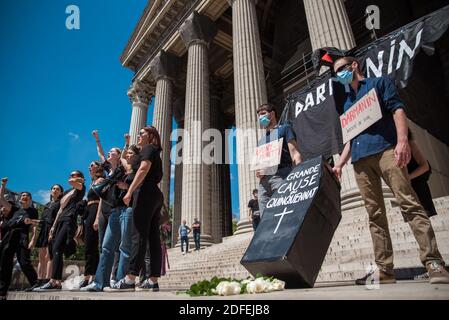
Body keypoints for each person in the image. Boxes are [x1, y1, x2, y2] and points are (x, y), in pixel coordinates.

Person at [331, 55, 449, 285]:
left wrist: (402, 141)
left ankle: (434, 263)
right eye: (336, 73)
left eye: (342, 69)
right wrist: (340, 163)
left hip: (386, 150)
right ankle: (384, 269)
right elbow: (350, 136)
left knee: (409, 203)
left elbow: (397, 110)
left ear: (354, 66)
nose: (340, 75)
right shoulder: (346, 102)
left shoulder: (379, 83)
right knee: (375, 214)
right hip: (360, 161)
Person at [108, 126, 164, 292]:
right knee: (153, 238)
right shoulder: (154, 151)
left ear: (151, 136)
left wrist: (130, 191)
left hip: (144, 194)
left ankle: (130, 278)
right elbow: (131, 165)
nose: (138, 136)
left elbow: (143, 169)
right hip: (155, 195)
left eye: (141, 133)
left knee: (138, 235)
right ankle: (153, 280)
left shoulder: (148, 148)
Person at [82, 136, 136, 292]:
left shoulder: (122, 168)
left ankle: (120, 282)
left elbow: (131, 172)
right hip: (113, 211)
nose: (109, 153)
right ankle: (100, 283)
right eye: (110, 151)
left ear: (119, 156)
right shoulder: (108, 172)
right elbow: (101, 154)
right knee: (106, 247)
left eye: (113, 152)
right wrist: (98, 140)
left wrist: (126, 185)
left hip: (125, 209)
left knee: (124, 247)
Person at [35, 171, 86, 291]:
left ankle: (53, 281)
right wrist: (53, 226)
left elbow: (72, 182)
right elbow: (60, 209)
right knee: (55, 250)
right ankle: (57, 282)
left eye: (75, 175)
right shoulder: (68, 192)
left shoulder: (80, 188)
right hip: (59, 221)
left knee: (57, 248)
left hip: (69, 220)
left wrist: (77, 180)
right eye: (71, 174)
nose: (72, 177)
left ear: (80, 177)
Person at [256, 103, 302, 218]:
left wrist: (299, 174)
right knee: (265, 217)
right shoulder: (261, 140)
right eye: (259, 116)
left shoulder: (285, 129)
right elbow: (259, 163)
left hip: (281, 175)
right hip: (263, 183)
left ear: (272, 114)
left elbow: (295, 152)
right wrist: (258, 171)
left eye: (263, 114)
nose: (260, 118)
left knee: (285, 209)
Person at [0, 178, 40, 298]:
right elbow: (1, 199)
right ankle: (2, 290)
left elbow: (34, 225)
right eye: (22, 195)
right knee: (5, 264)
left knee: (24, 262)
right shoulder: (14, 209)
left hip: (22, 236)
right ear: (19, 198)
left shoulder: (33, 211)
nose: (24, 196)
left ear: (30, 199)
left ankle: (34, 282)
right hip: (10, 236)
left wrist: (33, 239)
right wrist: (3, 185)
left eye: (27, 195)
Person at [71, 161, 105, 290]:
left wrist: (97, 217)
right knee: (89, 246)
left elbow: (102, 198)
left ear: (99, 167)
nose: (89, 167)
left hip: (96, 210)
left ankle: (92, 277)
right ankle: (88, 276)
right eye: (89, 166)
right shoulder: (91, 183)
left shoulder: (102, 180)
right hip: (89, 213)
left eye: (92, 165)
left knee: (94, 245)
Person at [33, 184, 63, 290]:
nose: (55, 190)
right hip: (43, 230)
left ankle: (48, 280)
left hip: (53, 230)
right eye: (53, 188)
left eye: (57, 189)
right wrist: (32, 222)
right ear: (50, 191)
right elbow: (41, 221)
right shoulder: (47, 205)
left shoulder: (60, 203)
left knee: (49, 256)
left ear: (61, 192)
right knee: (41, 257)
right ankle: (39, 281)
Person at [407, 131, 437, 218]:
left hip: (419, 185)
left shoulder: (410, 143)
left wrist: (408, 177)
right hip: (406, 188)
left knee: (426, 214)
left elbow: (425, 166)